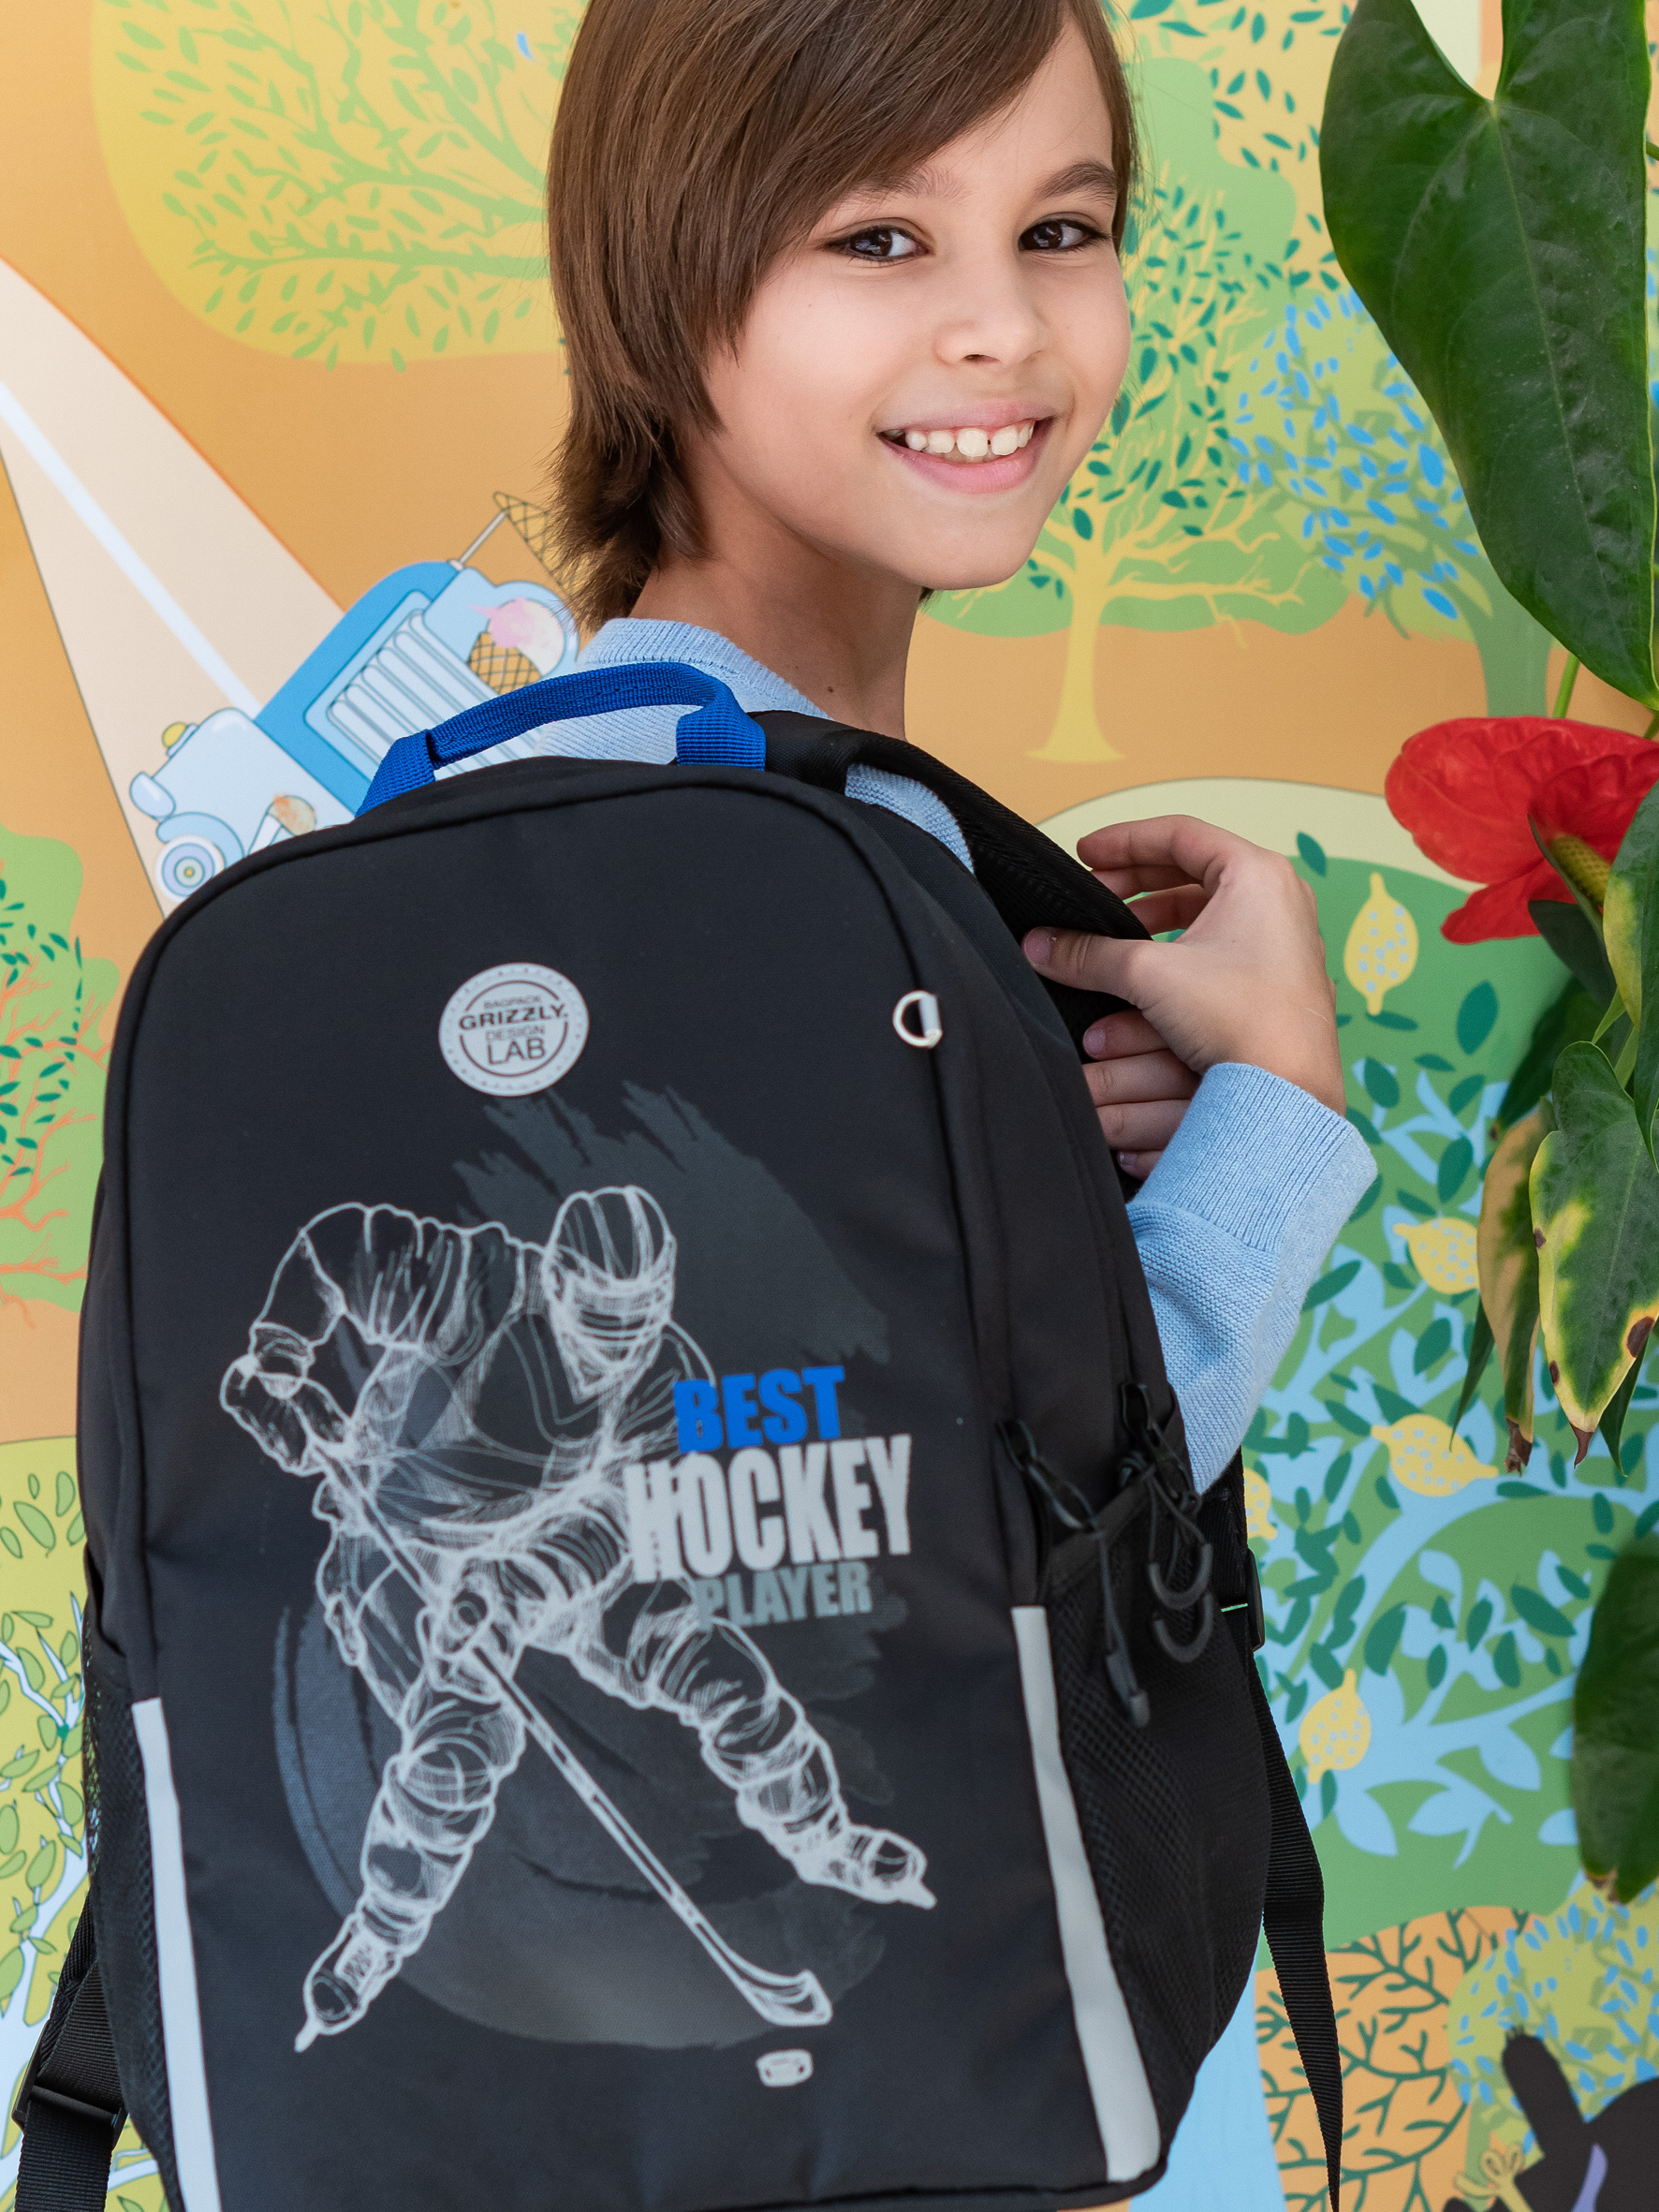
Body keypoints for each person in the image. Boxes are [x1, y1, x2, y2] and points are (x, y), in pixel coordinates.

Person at [485, 0, 1373, 1500]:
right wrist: (1279, 1106)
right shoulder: (738, 859)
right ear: (657, 287)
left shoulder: (614, 787)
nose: (1005, 327)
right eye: (881, 238)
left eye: (1060, 230)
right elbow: (1000, 1517)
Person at [222, 1185, 932, 2048]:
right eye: (601, 1322)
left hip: (556, 1555)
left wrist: (517, 1589)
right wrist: (277, 1359)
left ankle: (820, 1835)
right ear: (555, 1282)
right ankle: (381, 1930)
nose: (618, 1352)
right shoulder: (476, 1290)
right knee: (464, 1739)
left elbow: (626, 1519)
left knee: (716, 1667)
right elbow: (337, 1246)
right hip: (407, 1545)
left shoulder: (669, 1375)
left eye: (642, 1321)